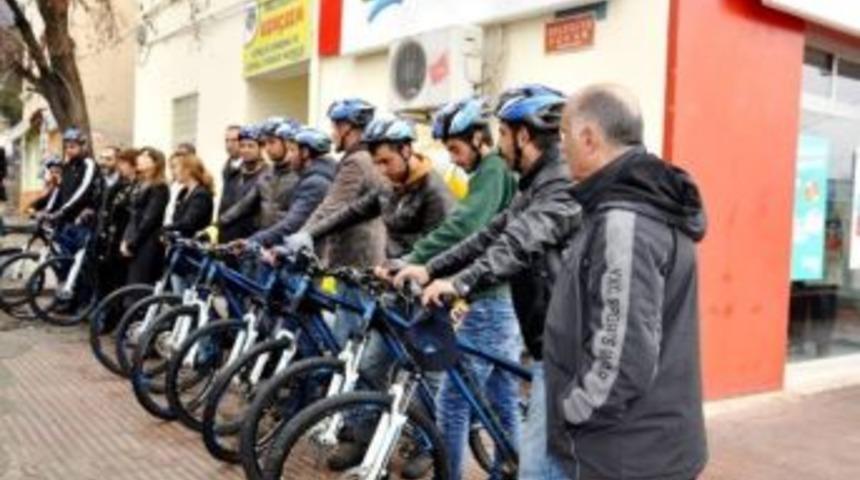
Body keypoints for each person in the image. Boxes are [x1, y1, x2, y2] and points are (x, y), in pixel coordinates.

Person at [403, 85, 582, 480]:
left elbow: (520, 243)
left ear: (522, 135)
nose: (499, 146)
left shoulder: (560, 187)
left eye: (502, 133)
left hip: (568, 350)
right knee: (519, 429)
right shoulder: (533, 186)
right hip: (545, 342)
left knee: (542, 469)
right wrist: (432, 268)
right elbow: (489, 235)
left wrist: (460, 284)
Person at [543, 84, 708, 480]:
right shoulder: (632, 203)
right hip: (641, 447)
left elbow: (624, 359)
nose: (560, 148)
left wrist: (573, 410)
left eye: (564, 135)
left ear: (588, 138)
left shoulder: (625, 222)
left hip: (624, 456)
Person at [293, 117, 454, 474]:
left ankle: (427, 447)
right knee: (371, 365)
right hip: (393, 291)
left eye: (386, 161)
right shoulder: (387, 187)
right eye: (376, 162)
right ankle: (360, 438)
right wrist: (309, 234)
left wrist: (406, 265)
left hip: (427, 295)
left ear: (407, 150)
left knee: (430, 376)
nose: (381, 170)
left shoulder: (434, 192)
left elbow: (446, 245)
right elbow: (352, 211)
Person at [392, 97, 521, 480]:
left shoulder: (493, 171)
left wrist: (414, 260)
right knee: (502, 400)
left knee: (453, 399)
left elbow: (465, 226)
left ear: (480, 139)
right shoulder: (492, 172)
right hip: (500, 298)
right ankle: (507, 470)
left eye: (457, 149)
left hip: (491, 302)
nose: (454, 159)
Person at [301, 98, 386, 269]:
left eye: (334, 127)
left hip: (354, 258)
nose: (332, 135)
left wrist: (300, 237)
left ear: (346, 128)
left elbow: (331, 207)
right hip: (367, 255)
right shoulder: (368, 156)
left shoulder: (356, 162)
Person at [250, 126, 335, 245]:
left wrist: (254, 241)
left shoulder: (315, 183)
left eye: (293, 150)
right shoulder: (312, 177)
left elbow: (293, 225)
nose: (290, 157)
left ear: (305, 153)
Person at [220, 118, 299, 242]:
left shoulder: (299, 176)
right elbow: (243, 205)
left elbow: (298, 218)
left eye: (272, 142)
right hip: (263, 244)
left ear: (287, 143)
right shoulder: (267, 175)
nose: (267, 148)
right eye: (266, 143)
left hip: (287, 246)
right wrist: (216, 225)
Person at [121, 147, 170, 285]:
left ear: (155, 163)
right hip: (135, 239)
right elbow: (133, 215)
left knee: (140, 285)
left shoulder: (160, 187)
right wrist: (126, 239)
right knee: (131, 284)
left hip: (148, 243)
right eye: (140, 156)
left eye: (145, 157)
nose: (139, 159)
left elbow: (149, 219)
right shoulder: (140, 184)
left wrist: (132, 243)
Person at [94, 148, 137, 297]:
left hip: (119, 237)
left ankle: (111, 315)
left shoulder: (127, 185)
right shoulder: (99, 180)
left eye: (109, 159)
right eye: (102, 158)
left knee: (116, 279)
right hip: (102, 235)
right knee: (100, 277)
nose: (104, 163)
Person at [217, 125, 268, 243]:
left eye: (250, 146)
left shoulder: (266, 174)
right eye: (242, 146)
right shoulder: (235, 173)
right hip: (228, 236)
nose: (245, 150)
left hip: (251, 239)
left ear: (260, 148)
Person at [164, 154, 215, 238]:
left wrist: (164, 228)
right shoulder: (183, 192)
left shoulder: (201, 194)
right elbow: (176, 218)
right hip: (181, 242)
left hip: (194, 245)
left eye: (174, 167)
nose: (173, 172)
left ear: (188, 170)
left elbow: (189, 223)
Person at [218, 124, 244, 240]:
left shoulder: (250, 168)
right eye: (227, 140)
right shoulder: (226, 167)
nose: (229, 145)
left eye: (234, 140)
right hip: (224, 227)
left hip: (241, 231)